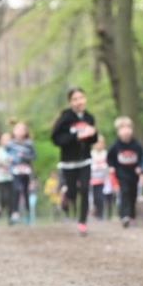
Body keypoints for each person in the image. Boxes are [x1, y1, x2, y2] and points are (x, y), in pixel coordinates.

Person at [51, 88, 98, 235]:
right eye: (75, 99)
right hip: (68, 162)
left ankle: (82, 222)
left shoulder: (89, 117)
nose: (79, 102)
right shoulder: (65, 118)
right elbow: (55, 138)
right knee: (72, 192)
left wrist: (92, 134)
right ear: (70, 102)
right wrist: (74, 137)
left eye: (81, 98)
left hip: (85, 160)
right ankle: (66, 196)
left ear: (85, 99)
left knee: (85, 189)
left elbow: (93, 140)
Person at [107, 116, 143, 228]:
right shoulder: (115, 146)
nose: (125, 131)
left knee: (133, 195)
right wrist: (111, 167)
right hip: (121, 173)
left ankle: (132, 216)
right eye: (122, 128)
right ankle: (125, 216)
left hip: (134, 174)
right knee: (124, 192)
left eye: (128, 127)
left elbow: (142, 158)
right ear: (118, 131)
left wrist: (140, 168)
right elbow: (110, 158)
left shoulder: (136, 145)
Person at [6, 121, 37, 223]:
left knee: (25, 191)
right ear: (13, 131)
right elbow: (6, 155)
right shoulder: (10, 144)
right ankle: (15, 212)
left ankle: (28, 212)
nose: (19, 132)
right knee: (16, 189)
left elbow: (34, 156)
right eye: (17, 129)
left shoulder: (29, 143)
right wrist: (10, 159)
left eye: (22, 129)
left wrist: (24, 157)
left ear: (25, 132)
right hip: (15, 170)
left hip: (26, 171)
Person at [0, 133, 13, 219]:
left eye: (9, 139)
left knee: (10, 197)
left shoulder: (13, 150)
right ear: (0, 141)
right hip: (0, 178)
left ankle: (10, 215)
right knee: (2, 196)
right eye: (5, 140)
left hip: (11, 177)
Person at [90, 135, 109, 219]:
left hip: (103, 179)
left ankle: (101, 214)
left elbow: (108, 166)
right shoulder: (91, 154)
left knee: (100, 196)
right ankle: (95, 212)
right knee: (94, 197)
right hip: (92, 179)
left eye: (100, 143)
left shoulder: (106, 154)